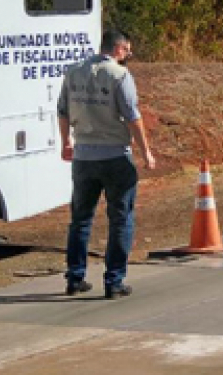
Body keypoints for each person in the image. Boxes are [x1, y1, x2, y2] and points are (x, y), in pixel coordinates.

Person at [58, 30, 156, 298]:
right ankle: (114, 281)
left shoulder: (73, 71)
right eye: (129, 51)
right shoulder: (120, 76)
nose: (129, 56)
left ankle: (75, 277)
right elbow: (132, 117)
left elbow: (63, 111)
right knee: (121, 218)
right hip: (114, 156)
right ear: (120, 49)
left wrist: (65, 141)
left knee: (80, 220)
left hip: (84, 156)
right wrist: (146, 152)